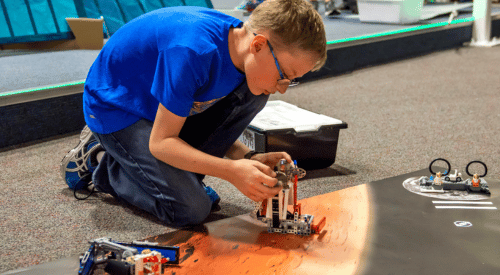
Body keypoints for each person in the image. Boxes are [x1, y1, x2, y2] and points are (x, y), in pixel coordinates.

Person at [61, 0, 327, 227]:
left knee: (255, 92)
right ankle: (104, 165)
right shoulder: (193, 51)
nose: (282, 89)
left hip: (163, 113)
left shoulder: (243, 52)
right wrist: (232, 171)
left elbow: (214, 124)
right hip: (118, 108)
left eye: (291, 81)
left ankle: (152, 171)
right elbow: (162, 143)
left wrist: (247, 156)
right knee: (190, 209)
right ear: (258, 45)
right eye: (284, 76)